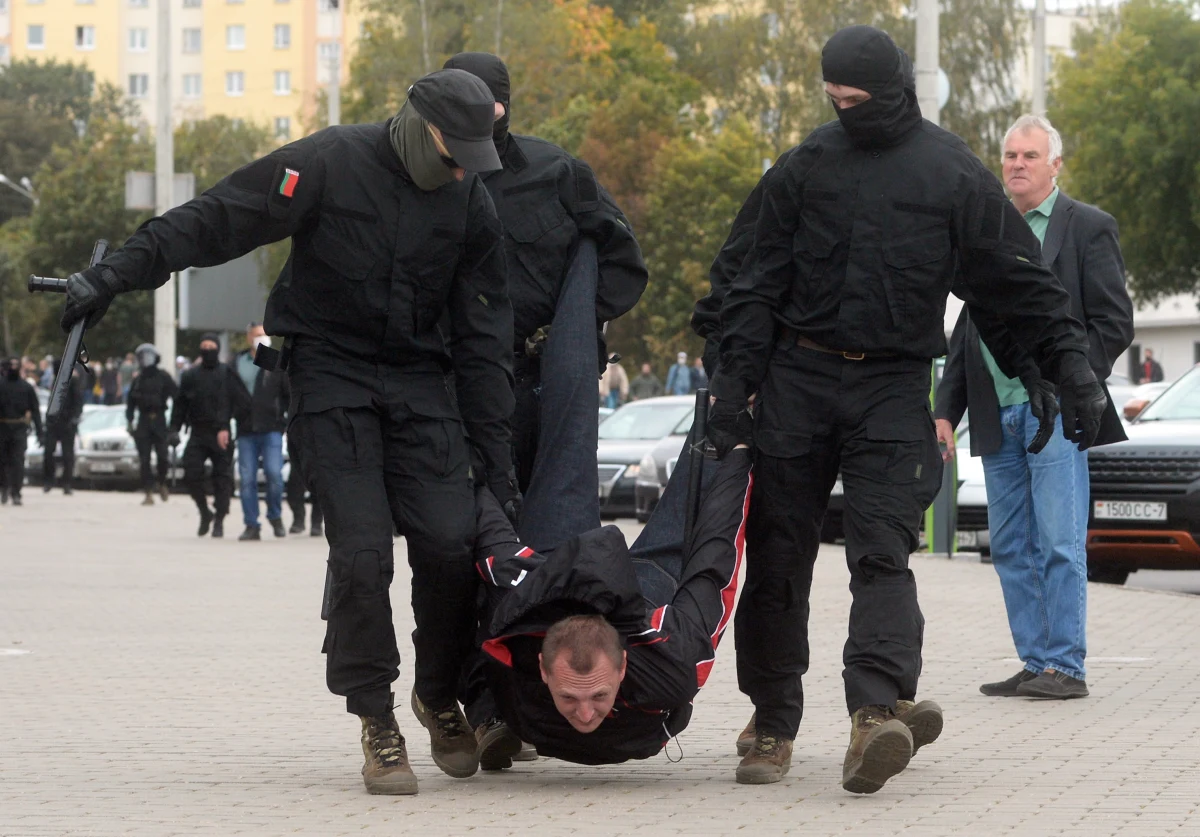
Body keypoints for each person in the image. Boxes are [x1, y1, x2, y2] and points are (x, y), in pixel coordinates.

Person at [58, 69, 517, 796]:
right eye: (452, 154)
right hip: (332, 378)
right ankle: (377, 718)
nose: (461, 170)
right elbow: (217, 218)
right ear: (418, 126)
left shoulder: (470, 200)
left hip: (420, 383)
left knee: (450, 544)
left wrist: (497, 460)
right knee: (362, 556)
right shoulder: (328, 162)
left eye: (472, 159)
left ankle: (436, 692)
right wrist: (115, 274)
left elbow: (485, 338)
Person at [707, 25, 1108, 793]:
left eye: (858, 99)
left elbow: (1015, 283)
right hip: (796, 379)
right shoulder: (805, 166)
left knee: (883, 551)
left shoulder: (951, 172)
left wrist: (1069, 369)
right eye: (836, 100)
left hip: (892, 387)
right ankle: (773, 719)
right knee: (778, 556)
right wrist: (731, 385)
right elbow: (749, 281)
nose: (847, 111)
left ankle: (875, 711)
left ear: (894, 91)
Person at [935, 114, 1133, 701]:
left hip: (1059, 415)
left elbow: (1113, 322)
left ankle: (1066, 666)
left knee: (1059, 542)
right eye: (1010, 155)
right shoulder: (988, 232)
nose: (1017, 164)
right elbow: (969, 328)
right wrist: (946, 409)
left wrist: (1074, 379)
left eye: (1029, 155)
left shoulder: (1087, 227)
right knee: (1011, 546)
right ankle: (1035, 660)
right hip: (996, 412)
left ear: (1055, 164)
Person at [441, 52, 647, 494]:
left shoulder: (556, 172)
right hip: (441, 383)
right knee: (446, 520)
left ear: (504, 106)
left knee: (538, 513)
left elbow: (623, 262)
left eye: (486, 106)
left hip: (532, 386)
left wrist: (570, 330)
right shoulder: (420, 179)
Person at [471, 445, 752, 766]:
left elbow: (714, 559)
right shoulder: (513, 645)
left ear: (622, 667)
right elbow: (487, 533)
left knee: (716, 449)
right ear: (543, 670)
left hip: (642, 598)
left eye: (599, 695)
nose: (586, 715)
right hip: (559, 587)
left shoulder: (671, 663)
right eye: (569, 697)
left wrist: (738, 456)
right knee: (563, 439)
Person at [170, 335, 242, 537]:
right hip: (198, 433)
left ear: (217, 349)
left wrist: (228, 425)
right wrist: (173, 428)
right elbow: (180, 404)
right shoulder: (190, 375)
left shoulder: (227, 373)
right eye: (204, 346)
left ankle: (219, 519)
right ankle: (204, 511)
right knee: (191, 472)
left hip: (221, 433)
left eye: (211, 347)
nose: (207, 350)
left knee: (222, 479)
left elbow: (238, 401)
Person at [231, 321, 289, 541]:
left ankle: (275, 515)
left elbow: (287, 393)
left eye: (264, 334)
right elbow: (230, 393)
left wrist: (284, 421)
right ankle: (251, 524)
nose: (261, 338)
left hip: (271, 428)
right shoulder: (238, 362)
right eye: (256, 335)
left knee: (274, 474)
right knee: (247, 479)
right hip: (246, 429)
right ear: (249, 338)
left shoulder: (275, 361)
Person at [125, 342, 179, 506]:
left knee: (163, 457)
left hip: (159, 420)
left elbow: (177, 398)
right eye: (142, 357)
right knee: (144, 459)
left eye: (148, 357)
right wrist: (129, 421)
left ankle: (162, 482)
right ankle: (148, 492)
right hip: (143, 421)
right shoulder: (138, 380)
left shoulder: (163, 377)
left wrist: (175, 425)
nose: (145, 360)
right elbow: (130, 403)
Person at [1, 356, 43, 506]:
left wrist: (40, 432)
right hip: (2, 428)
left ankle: (16, 492)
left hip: (19, 428)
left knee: (18, 462)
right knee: (2, 461)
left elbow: (35, 410)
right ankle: (4, 488)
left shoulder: (26, 387)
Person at [41, 359, 85, 495]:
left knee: (67, 455)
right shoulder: (55, 380)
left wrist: (74, 418)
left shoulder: (72, 381)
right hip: (53, 423)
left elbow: (78, 401)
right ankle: (48, 481)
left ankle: (67, 483)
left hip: (67, 422)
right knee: (48, 452)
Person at [285, 432, 322, 536]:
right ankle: (298, 518)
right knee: (294, 485)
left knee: (319, 484)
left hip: (321, 440)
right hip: (299, 437)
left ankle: (316, 523)